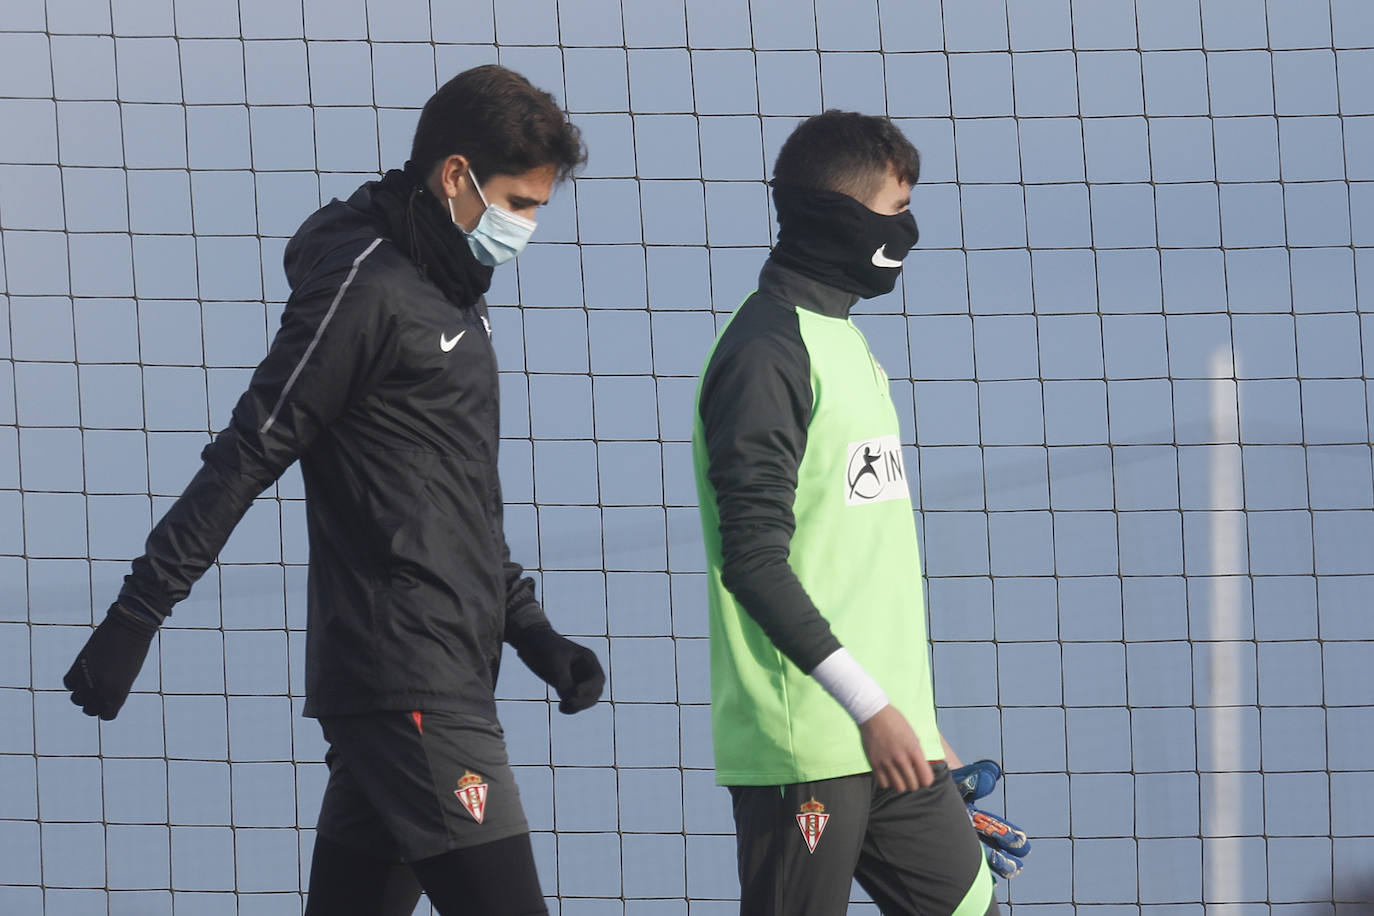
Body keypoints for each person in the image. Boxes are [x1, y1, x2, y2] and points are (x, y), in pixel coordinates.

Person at [62, 65, 604, 916]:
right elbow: (251, 449)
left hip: (446, 668)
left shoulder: (454, 293)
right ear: (455, 175)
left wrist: (531, 629)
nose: (526, 227)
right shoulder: (369, 285)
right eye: (518, 203)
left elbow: (456, 496)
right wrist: (137, 615)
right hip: (408, 674)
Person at [692, 110, 1013, 915]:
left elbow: (860, 571)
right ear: (837, 216)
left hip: (895, 742)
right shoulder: (766, 353)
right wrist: (872, 708)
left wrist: (923, 730)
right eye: (894, 211)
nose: (907, 232)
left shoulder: (844, 343)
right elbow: (752, 563)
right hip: (809, 744)